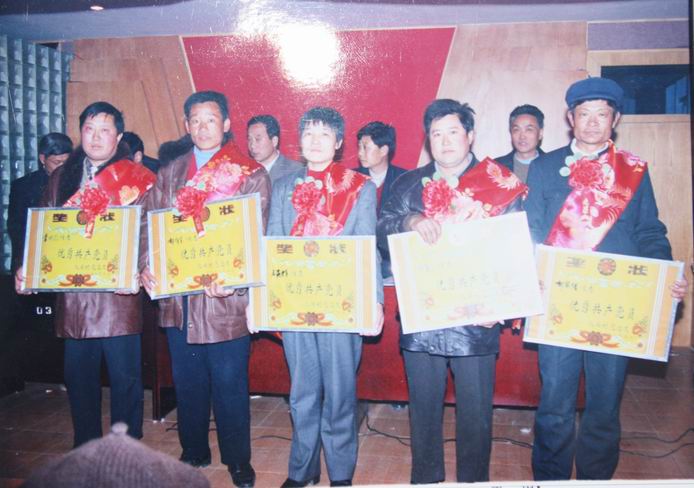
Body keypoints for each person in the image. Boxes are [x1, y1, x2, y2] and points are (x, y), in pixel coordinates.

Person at [525, 77, 689, 480]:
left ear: (615, 120)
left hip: (615, 305)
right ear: (570, 118)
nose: (593, 122)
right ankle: (549, 478)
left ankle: (596, 479)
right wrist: (530, 275)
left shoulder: (633, 170)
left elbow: (649, 230)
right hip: (560, 301)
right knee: (555, 402)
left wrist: (665, 276)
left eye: (602, 114)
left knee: (604, 403)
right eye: (585, 114)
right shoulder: (544, 167)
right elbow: (530, 230)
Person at [377, 99, 527, 484]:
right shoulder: (409, 183)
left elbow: (515, 248)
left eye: (453, 132)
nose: (444, 142)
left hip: (477, 319)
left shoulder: (499, 182)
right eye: (436, 134)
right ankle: (426, 478)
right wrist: (411, 220)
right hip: (423, 316)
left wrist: (501, 305)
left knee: (475, 412)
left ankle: (472, 481)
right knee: (423, 409)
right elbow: (381, 228)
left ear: (470, 135)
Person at [141, 91, 270, 488]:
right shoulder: (170, 172)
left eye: (210, 119)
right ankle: (194, 449)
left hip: (224, 301)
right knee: (188, 381)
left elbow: (255, 234)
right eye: (195, 120)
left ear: (226, 124)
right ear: (186, 125)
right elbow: (149, 224)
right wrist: (146, 265)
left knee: (230, 385)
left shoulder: (249, 173)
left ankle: (238, 460)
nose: (202, 127)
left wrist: (234, 278)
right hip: (180, 300)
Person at [15, 101, 156, 448]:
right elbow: (46, 228)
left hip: (118, 296)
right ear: (81, 133)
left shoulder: (134, 178)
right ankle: (87, 448)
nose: (95, 137)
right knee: (79, 379)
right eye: (89, 129)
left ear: (118, 137)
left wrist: (139, 268)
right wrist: (29, 267)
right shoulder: (61, 177)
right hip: (75, 295)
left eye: (105, 130)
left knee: (125, 378)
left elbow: (147, 231)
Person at [265, 107, 384, 487]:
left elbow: (367, 248)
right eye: (308, 134)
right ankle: (302, 471)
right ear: (299, 142)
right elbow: (272, 246)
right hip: (295, 304)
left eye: (324, 135)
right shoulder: (283, 187)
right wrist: (263, 300)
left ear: (338, 143)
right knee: (301, 393)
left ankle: (341, 473)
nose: (315, 142)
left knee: (339, 394)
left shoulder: (359, 187)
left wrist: (375, 301)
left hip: (341, 306)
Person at [8, 132, 72, 271]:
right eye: (57, 162)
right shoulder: (23, 186)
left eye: (66, 162)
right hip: (35, 255)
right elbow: (17, 229)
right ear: (43, 159)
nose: (62, 167)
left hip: (67, 254)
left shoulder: (76, 183)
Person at [355, 121, 406, 279]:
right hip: (359, 259)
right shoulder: (351, 179)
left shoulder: (405, 180)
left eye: (366, 147)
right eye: (359, 147)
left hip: (394, 262)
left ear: (383, 150)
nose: (360, 153)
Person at [495, 104, 545, 182]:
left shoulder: (553, 165)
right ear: (511, 133)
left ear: (540, 134)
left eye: (529, 129)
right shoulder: (496, 166)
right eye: (516, 129)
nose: (522, 136)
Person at [246, 114, 302, 182]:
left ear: (274, 141)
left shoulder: (295, 170)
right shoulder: (244, 170)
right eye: (249, 139)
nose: (252, 145)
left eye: (258, 139)